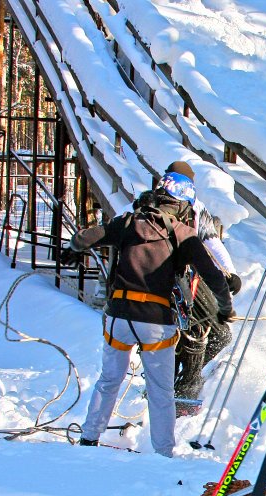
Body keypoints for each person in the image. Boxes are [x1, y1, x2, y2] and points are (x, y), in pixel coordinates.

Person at [63, 161, 234, 456]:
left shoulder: (128, 223)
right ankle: (163, 453)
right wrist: (224, 308)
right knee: (161, 391)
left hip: (119, 316)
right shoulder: (183, 234)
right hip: (156, 321)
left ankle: (89, 438)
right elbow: (214, 276)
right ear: (184, 203)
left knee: (108, 380)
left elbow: (86, 237)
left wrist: (72, 249)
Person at [173, 202, 243, 415]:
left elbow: (211, 241)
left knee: (215, 335)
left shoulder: (195, 209)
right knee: (195, 336)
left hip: (190, 277)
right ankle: (183, 396)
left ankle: (183, 384)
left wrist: (229, 273)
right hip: (172, 281)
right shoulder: (152, 210)